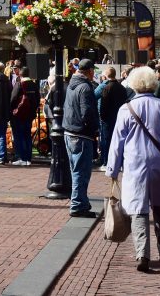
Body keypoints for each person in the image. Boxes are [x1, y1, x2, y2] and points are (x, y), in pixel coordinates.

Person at [106, 66, 160, 273]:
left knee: (138, 210)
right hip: (159, 163)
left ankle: (142, 254)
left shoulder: (125, 109)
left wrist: (112, 169)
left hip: (135, 164)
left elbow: (116, 142)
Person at [63, 59, 99, 217]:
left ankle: (80, 202)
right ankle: (78, 205)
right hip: (81, 134)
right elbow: (87, 113)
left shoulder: (72, 84)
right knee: (81, 172)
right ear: (90, 71)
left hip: (70, 132)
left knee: (76, 170)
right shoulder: (85, 87)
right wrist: (94, 129)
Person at [95, 67, 128, 171]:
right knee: (120, 140)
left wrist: (102, 117)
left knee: (106, 140)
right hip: (119, 117)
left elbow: (103, 105)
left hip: (108, 119)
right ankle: (120, 162)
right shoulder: (121, 87)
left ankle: (107, 162)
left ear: (106, 75)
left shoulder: (106, 87)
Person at [9, 65, 39, 166]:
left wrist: (12, 110)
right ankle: (28, 158)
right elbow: (37, 99)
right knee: (27, 136)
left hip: (19, 114)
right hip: (29, 114)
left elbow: (13, 99)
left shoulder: (19, 84)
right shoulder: (34, 85)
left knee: (19, 135)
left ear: (20, 74)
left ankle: (21, 157)